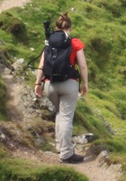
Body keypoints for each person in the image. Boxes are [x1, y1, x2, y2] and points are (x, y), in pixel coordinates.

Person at [34, 12, 89, 163]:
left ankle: (60, 145)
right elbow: (83, 66)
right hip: (68, 84)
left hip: (49, 84)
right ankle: (66, 154)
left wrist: (37, 84)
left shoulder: (49, 42)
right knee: (66, 117)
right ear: (69, 28)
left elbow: (41, 65)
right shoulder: (74, 42)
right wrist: (85, 84)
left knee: (60, 112)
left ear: (57, 27)